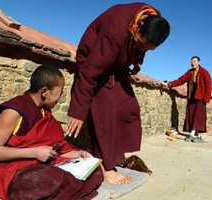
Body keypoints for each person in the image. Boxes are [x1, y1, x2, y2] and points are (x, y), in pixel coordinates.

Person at [65, 2, 170, 184]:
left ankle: (113, 156)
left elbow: (142, 45)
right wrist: (78, 111)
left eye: (147, 48)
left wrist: (138, 58)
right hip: (93, 58)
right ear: (139, 26)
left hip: (118, 63)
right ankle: (105, 168)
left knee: (127, 106)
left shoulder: (154, 19)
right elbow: (90, 72)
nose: (143, 49)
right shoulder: (114, 30)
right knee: (106, 109)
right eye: (141, 44)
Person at [0, 65, 104, 200]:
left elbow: (58, 148)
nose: (62, 95)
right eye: (60, 90)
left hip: (40, 166)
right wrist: (34, 152)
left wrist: (79, 154)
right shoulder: (13, 112)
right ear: (44, 91)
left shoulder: (44, 112)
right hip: (13, 169)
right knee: (51, 180)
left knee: (95, 172)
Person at [167, 56, 212, 143]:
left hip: (200, 98)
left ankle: (192, 133)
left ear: (199, 62)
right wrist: (170, 84)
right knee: (191, 115)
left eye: (195, 61)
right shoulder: (189, 72)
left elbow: (208, 86)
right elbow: (181, 80)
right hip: (191, 97)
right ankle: (194, 133)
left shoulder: (204, 72)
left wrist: (206, 99)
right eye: (192, 62)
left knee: (197, 116)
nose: (193, 63)